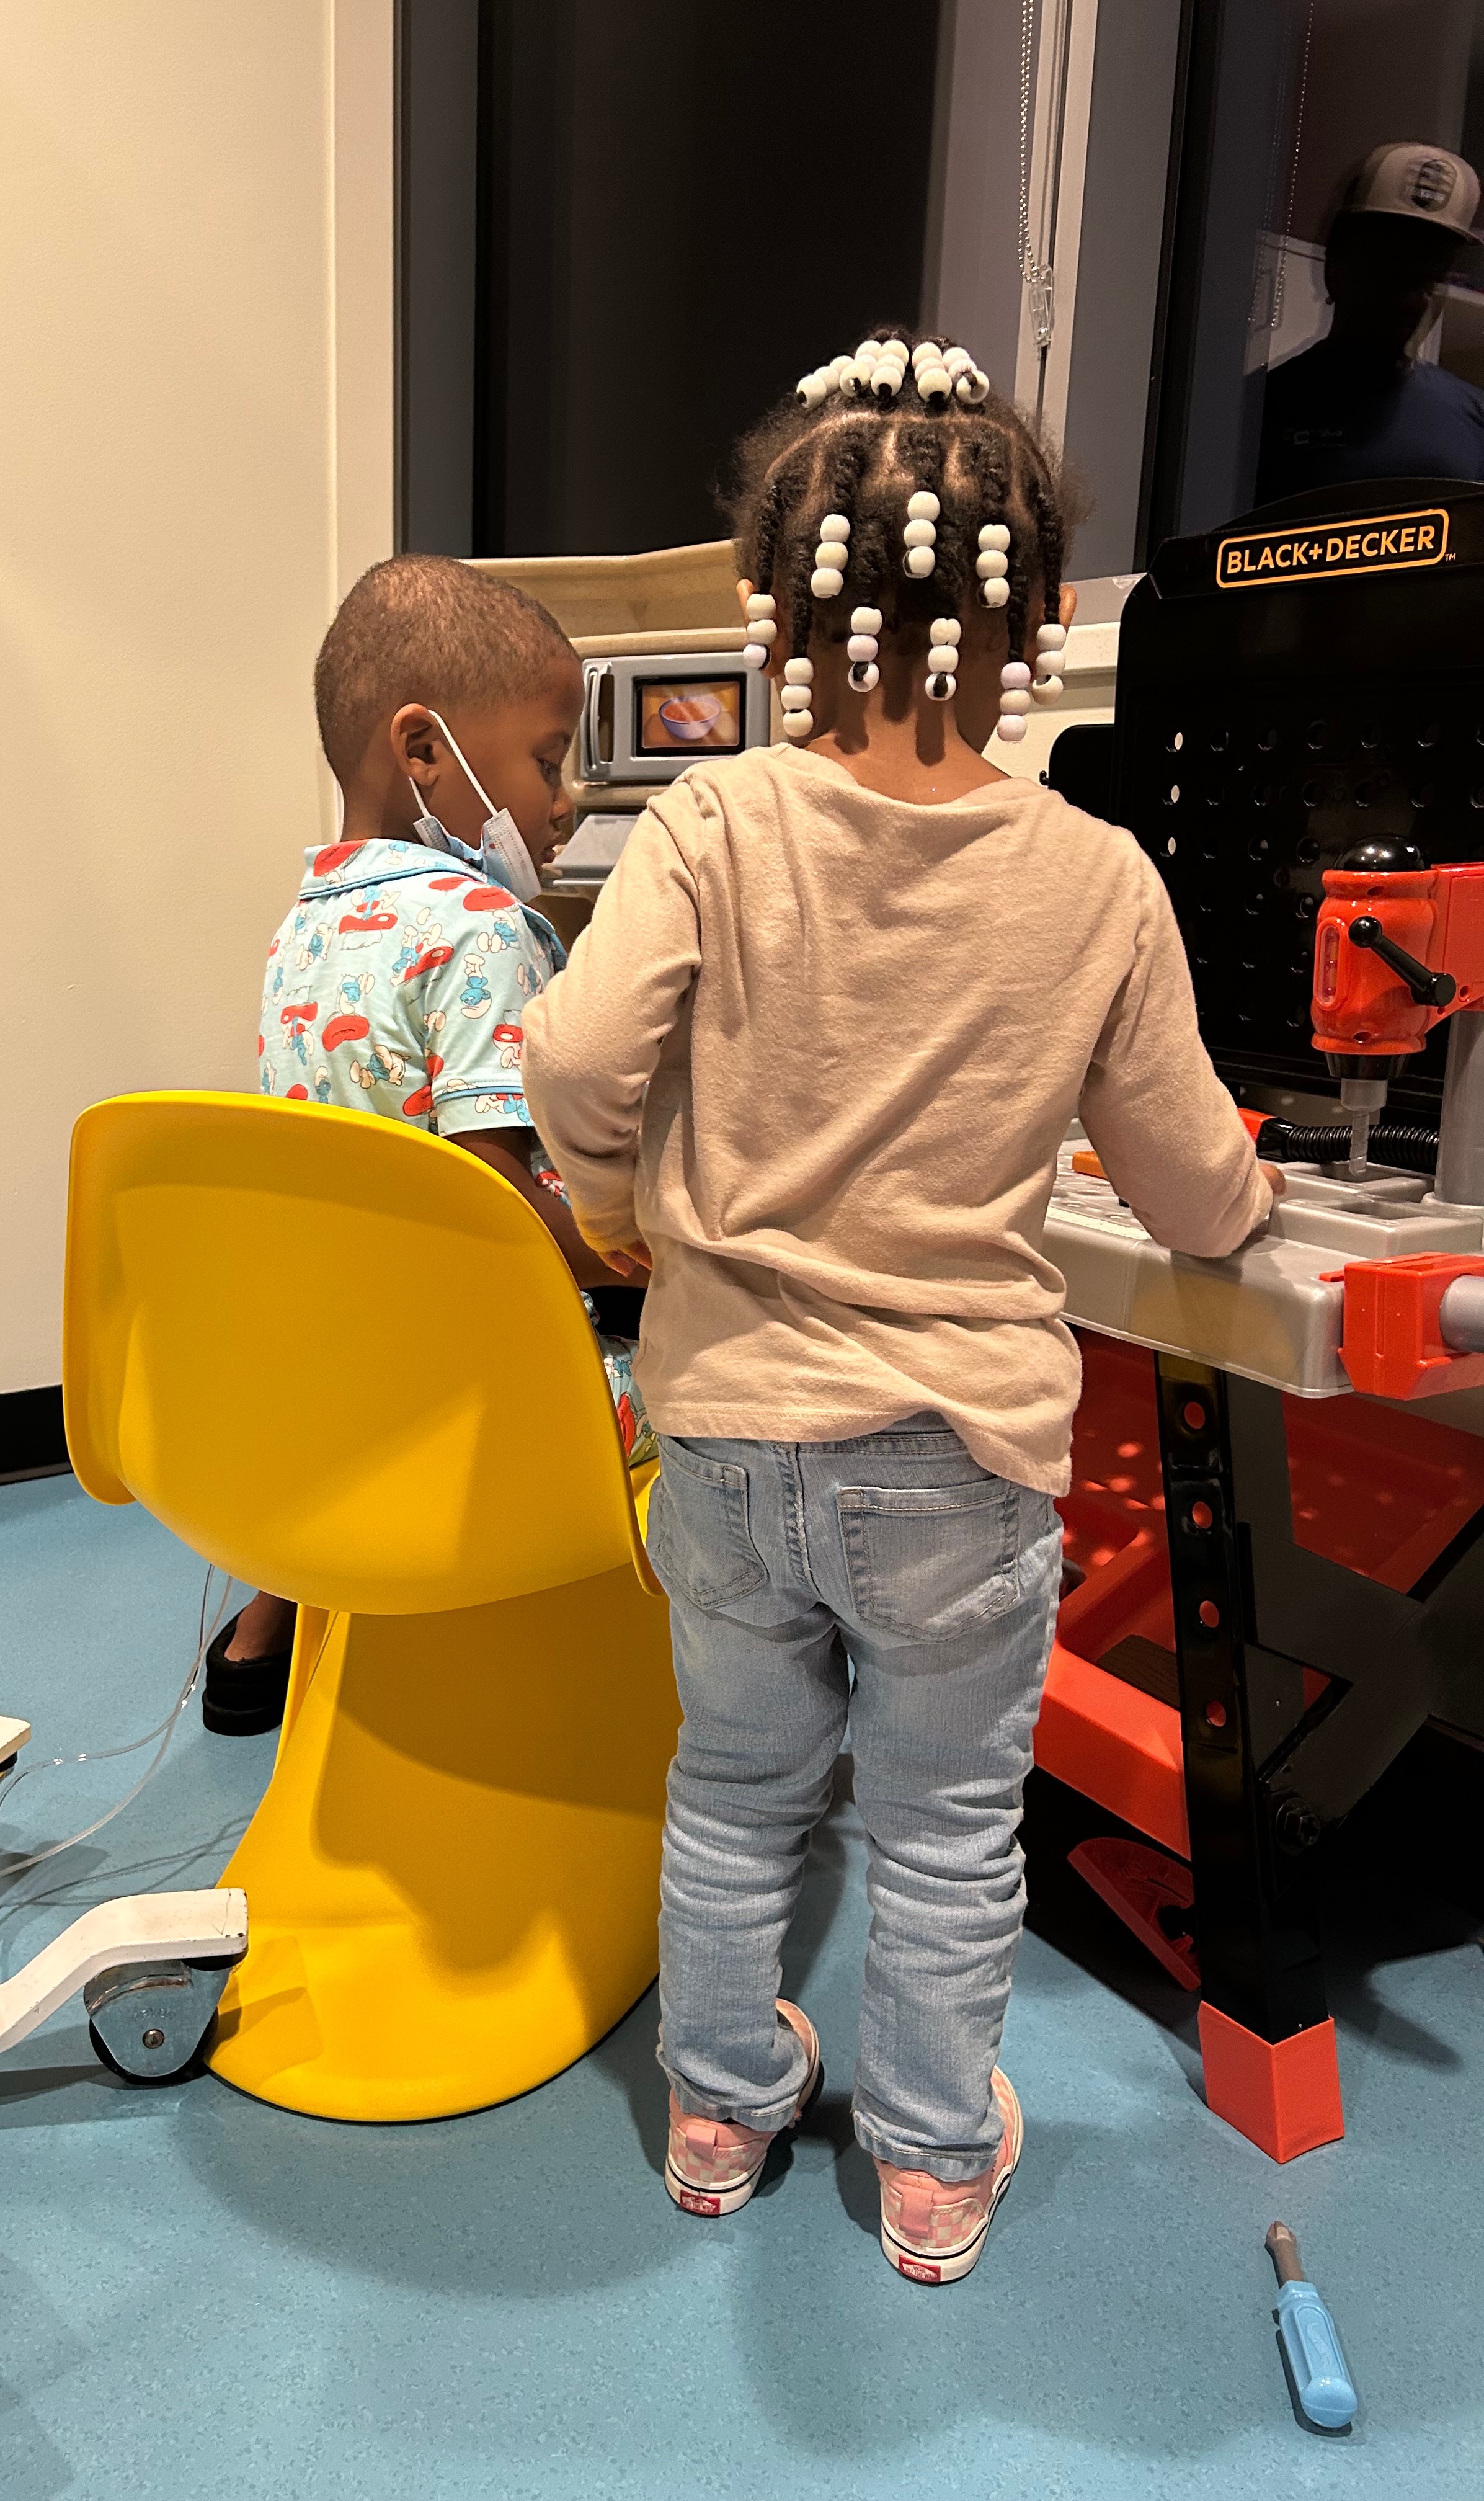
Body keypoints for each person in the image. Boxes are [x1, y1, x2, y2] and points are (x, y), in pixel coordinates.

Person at [522, 328, 1281, 2283]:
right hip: (955, 1451)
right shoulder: (1097, 878)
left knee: (735, 1791)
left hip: (725, 1429)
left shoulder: (710, 825)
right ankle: (933, 2168)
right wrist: (1253, 1191)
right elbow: (1193, 1187)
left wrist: (612, 1208)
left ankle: (717, 2115)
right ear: (1037, 619)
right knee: (945, 1828)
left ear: (781, 614)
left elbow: (577, 1062)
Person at [207, 553, 650, 1735]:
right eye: (547, 761)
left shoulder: (302, 925)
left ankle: (269, 1617)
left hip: (329, 1384)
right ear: (423, 750)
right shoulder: (484, 924)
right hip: (471, 1401)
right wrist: (656, 1258)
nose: (563, 802)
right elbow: (493, 1194)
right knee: (721, 1369)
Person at [1257, 142, 1484, 506]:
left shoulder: (1476, 419)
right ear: (1337, 268)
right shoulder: (1259, 413)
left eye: (1431, 276)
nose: (1413, 301)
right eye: (1391, 270)